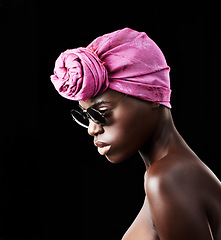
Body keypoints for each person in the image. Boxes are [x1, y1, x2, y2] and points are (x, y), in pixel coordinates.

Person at [51, 28, 221, 240]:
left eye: (102, 112)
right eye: (87, 117)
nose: (92, 129)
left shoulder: (168, 177)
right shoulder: (167, 173)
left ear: (150, 96)